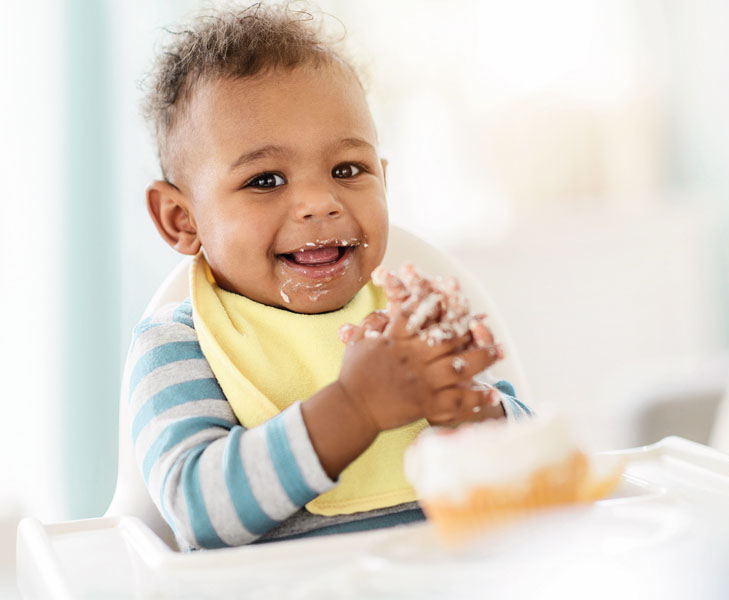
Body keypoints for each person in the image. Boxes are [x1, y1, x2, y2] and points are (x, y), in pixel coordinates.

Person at [130, 3, 530, 550]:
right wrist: (354, 408)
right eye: (265, 179)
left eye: (347, 170)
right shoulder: (179, 345)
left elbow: (532, 466)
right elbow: (196, 508)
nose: (320, 202)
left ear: (383, 179)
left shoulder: (402, 320)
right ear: (183, 218)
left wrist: (469, 412)